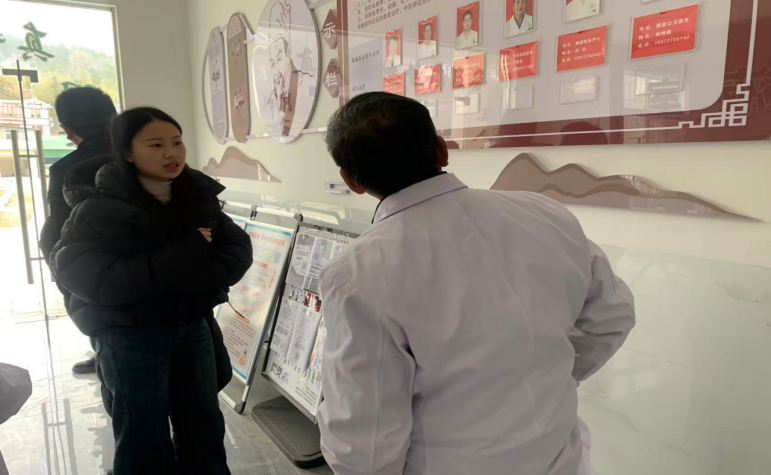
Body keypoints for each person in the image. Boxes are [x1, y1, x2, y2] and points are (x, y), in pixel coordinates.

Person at [317, 92, 635, 475]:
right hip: (560, 459)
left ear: (351, 180)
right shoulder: (544, 213)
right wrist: (551, 371)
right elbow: (612, 317)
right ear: (441, 149)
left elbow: (362, 443)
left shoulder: (358, 272)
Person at [51, 107, 252, 474]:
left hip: (192, 325)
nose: (171, 153)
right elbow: (94, 279)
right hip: (130, 334)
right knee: (142, 432)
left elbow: (237, 249)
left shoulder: (195, 195)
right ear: (127, 152)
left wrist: (195, 277)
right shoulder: (97, 208)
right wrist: (188, 252)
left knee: (203, 423)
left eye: (177, 142)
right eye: (156, 145)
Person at [39, 86, 116, 375]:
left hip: (95, 271)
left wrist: (61, 270)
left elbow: (59, 228)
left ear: (66, 129)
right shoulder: (144, 154)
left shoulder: (66, 169)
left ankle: (102, 355)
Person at [265, 0, 314, 141]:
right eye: (272, 63)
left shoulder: (307, 83)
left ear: (288, 54)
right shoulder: (271, 101)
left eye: (279, 59)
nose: (276, 71)